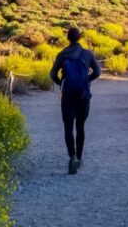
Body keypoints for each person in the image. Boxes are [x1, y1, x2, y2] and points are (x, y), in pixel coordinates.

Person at [49, 26, 101, 175]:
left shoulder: (62, 55)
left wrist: (62, 83)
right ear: (79, 37)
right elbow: (97, 72)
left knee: (68, 127)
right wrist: (87, 80)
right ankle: (79, 157)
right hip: (83, 95)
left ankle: (72, 157)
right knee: (80, 126)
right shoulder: (87, 54)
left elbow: (52, 74)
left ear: (68, 38)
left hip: (68, 95)